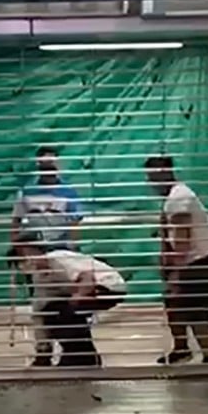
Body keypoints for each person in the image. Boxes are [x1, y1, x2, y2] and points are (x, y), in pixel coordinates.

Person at [10, 146, 84, 366]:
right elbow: (16, 223)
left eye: (51, 164)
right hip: (37, 256)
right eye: (43, 165)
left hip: (62, 256)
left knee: (66, 303)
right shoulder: (27, 192)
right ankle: (43, 350)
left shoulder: (69, 193)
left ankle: (71, 349)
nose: (47, 169)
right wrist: (19, 252)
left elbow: (75, 223)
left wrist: (73, 254)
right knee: (39, 305)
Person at [9, 232, 126, 368]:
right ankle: (79, 356)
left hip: (107, 286)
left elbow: (87, 277)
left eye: (25, 257)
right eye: (20, 263)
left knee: (65, 313)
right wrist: (43, 351)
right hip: (82, 294)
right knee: (52, 312)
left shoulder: (58, 258)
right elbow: (39, 311)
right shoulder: (41, 279)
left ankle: (82, 358)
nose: (25, 264)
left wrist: (76, 298)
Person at [147, 156, 208, 365]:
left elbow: (182, 237)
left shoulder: (179, 199)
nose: (151, 184)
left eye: (152, 178)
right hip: (197, 259)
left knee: (195, 308)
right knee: (177, 305)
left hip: (198, 260)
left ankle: (207, 354)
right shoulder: (174, 197)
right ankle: (185, 349)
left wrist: (176, 270)